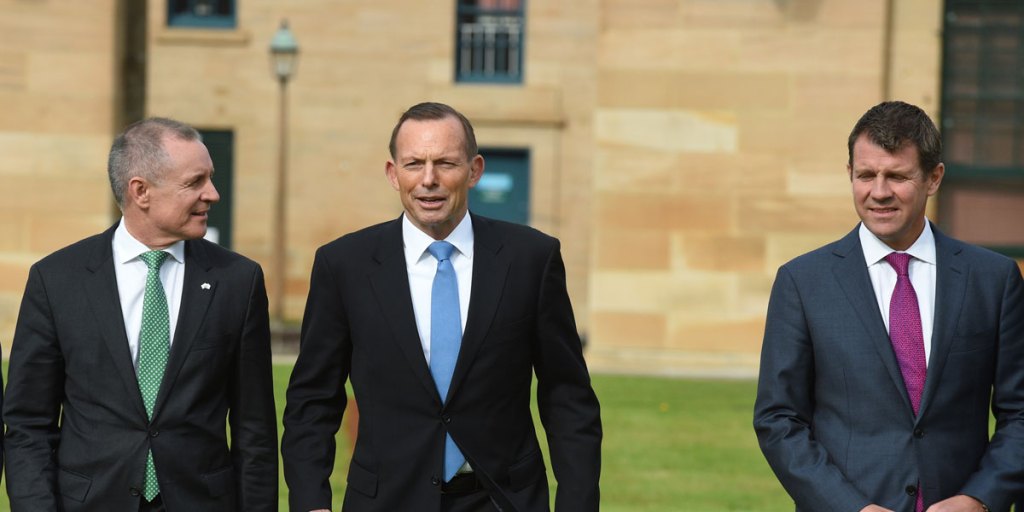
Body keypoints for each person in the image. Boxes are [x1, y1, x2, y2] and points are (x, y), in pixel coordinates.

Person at [281, 102, 602, 511]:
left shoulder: (531, 259)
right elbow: (313, 399)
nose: (428, 180)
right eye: (414, 163)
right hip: (386, 502)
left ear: (475, 170)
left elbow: (567, 398)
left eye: (445, 163)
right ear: (392, 173)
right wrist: (311, 503)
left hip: (503, 500)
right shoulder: (344, 265)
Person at [754, 100, 1024, 512]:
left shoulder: (993, 280)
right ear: (850, 175)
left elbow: (1020, 413)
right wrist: (849, 507)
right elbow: (778, 419)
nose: (878, 192)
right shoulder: (802, 282)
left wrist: (979, 498)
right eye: (866, 175)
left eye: (897, 176)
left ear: (934, 178)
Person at [3, 118, 278, 511]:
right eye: (195, 182)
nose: (213, 194)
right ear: (141, 191)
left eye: (211, 179)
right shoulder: (56, 280)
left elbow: (256, 432)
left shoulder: (238, 281)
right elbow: (28, 425)